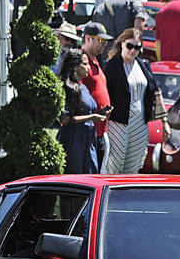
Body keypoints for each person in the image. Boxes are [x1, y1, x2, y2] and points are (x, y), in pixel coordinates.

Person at [104, 29, 171, 173]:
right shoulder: (112, 66)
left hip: (140, 124)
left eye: (137, 47)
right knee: (114, 166)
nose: (132, 50)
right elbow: (105, 94)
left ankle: (127, 196)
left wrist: (164, 122)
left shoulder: (143, 65)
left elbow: (155, 93)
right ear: (122, 44)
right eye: (129, 46)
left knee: (133, 168)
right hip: (118, 123)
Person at [56, 49, 106, 174]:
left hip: (88, 140)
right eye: (84, 64)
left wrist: (99, 115)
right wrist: (91, 118)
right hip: (74, 140)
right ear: (74, 67)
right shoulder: (67, 87)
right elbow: (65, 119)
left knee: (91, 176)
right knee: (75, 178)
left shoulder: (83, 87)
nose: (88, 66)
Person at [81, 22, 114, 170]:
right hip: (87, 131)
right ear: (88, 38)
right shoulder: (81, 62)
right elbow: (75, 91)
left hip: (100, 130)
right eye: (100, 40)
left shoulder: (95, 62)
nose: (104, 44)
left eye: (106, 41)